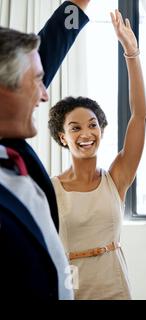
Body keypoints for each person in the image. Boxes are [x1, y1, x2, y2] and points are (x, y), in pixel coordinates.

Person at [47, 10, 146, 300]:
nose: (86, 133)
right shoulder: (50, 188)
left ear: (101, 130)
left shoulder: (116, 178)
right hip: (72, 286)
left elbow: (140, 116)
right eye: (75, 128)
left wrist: (132, 53)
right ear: (62, 137)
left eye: (92, 125)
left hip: (115, 285)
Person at [0, 0, 89, 300]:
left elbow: (46, 50)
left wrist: (78, 5)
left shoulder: (11, 150)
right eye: (38, 80)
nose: (45, 95)